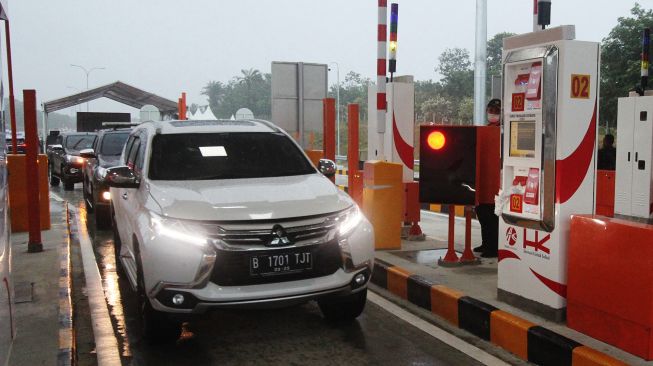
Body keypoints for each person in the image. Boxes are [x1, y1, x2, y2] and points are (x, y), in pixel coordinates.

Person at [474, 99, 501, 258]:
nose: (493, 114)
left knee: (493, 218)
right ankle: (486, 243)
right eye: (491, 110)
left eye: (496, 111)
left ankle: (493, 248)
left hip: (496, 183)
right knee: (483, 214)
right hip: (483, 182)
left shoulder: (504, 130)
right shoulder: (484, 130)